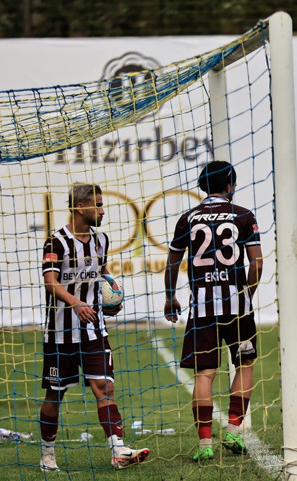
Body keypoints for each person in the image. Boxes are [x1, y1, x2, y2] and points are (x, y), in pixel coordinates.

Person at [39, 183, 149, 471]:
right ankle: (47, 454)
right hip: (60, 334)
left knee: (105, 388)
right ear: (80, 208)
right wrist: (76, 303)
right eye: (98, 205)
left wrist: (112, 296)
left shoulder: (101, 240)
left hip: (94, 331)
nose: (103, 211)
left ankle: (118, 451)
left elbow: (101, 273)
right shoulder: (56, 242)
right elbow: (50, 282)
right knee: (55, 394)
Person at [163, 161, 263, 462]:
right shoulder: (243, 216)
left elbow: (172, 262)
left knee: (204, 374)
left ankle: (205, 443)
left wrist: (170, 297)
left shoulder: (189, 218)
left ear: (203, 186)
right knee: (245, 364)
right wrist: (247, 294)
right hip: (237, 306)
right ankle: (233, 429)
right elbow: (256, 263)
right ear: (230, 185)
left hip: (202, 307)